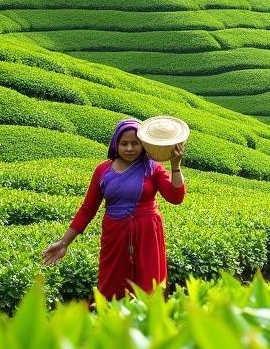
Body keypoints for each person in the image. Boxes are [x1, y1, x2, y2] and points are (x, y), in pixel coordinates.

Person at [42, 117, 186, 299]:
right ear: (115, 144)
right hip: (115, 234)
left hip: (148, 234)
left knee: (149, 287)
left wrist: (175, 166)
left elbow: (176, 197)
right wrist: (64, 243)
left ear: (143, 144)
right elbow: (87, 209)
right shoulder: (103, 170)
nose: (129, 148)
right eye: (124, 143)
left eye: (135, 143)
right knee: (112, 284)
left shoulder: (153, 169)